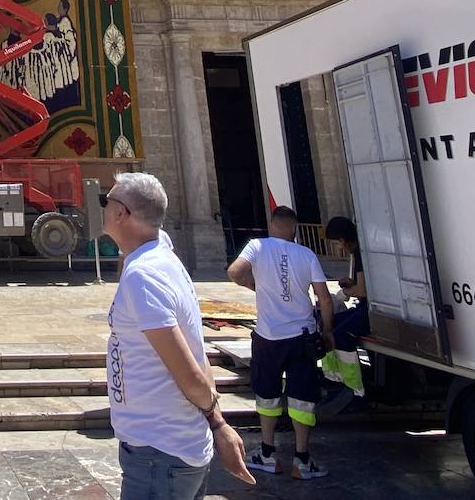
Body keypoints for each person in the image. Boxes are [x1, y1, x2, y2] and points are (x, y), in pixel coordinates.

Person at [102, 171, 254, 498]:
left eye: (107, 200)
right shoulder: (161, 258)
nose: (103, 207)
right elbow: (197, 353)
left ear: (120, 213)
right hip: (164, 449)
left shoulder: (145, 275)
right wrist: (218, 424)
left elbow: (189, 375)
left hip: (159, 452)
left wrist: (219, 425)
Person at [227, 206, 334, 479]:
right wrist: (328, 331)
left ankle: (267, 453)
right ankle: (302, 459)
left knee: (267, 395)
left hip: (268, 336)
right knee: (302, 398)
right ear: (294, 227)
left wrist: (255, 284)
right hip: (302, 336)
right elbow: (324, 298)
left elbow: (234, 271)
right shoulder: (306, 254)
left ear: (272, 224)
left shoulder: (257, 246)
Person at [321, 216, 368, 397]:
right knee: (326, 325)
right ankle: (333, 376)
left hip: (370, 310)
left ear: (342, 240)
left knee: (341, 336)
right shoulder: (358, 252)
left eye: (337, 243)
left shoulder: (359, 253)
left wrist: (344, 294)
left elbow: (362, 290)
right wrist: (350, 283)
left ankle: (355, 389)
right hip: (365, 306)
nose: (339, 248)